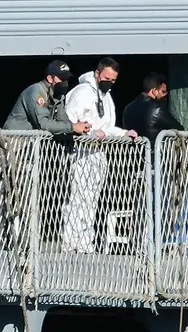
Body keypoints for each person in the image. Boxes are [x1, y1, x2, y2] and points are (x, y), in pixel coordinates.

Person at [61, 57, 139, 254]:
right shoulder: (81, 92)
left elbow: (106, 127)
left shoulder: (106, 96)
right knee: (78, 198)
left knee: (91, 199)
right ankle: (70, 244)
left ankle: (85, 243)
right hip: (80, 152)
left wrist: (123, 133)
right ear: (97, 73)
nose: (109, 82)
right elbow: (70, 121)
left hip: (98, 152)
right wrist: (88, 133)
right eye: (106, 78)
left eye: (113, 80)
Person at [3, 60, 92, 137]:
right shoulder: (37, 91)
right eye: (62, 79)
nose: (65, 83)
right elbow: (43, 124)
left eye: (67, 79)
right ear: (50, 78)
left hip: (30, 145)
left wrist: (79, 128)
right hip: (14, 144)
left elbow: (63, 120)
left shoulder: (57, 95)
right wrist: (72, 127)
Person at [123, 72, 181, 143]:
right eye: (163, 91)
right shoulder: (157, 109)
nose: (165, 95)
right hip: (154, 151)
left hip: (132, 152)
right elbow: (179, 129)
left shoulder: (128, 108)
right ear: (154, 91)